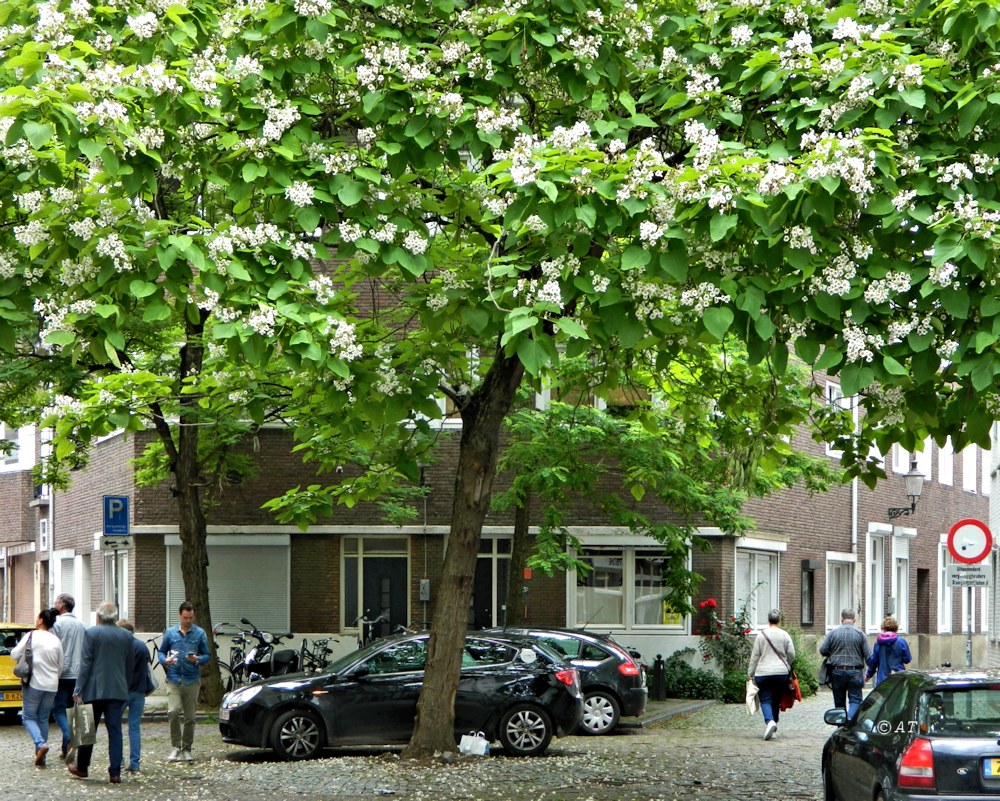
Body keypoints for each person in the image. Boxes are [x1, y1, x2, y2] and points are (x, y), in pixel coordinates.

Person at [67, 600, 135, 784]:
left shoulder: (91, 633)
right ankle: (115, 772)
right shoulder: (126, 636)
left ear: (98, 616)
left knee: (88, 729)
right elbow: (130, 665)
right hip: (117, 690)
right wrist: (125, 684)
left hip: (94, 689)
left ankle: (82, 767)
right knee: (115, 732)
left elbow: (86, 663)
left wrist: (78, 688)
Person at [158, 600, 211, 762]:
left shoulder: (200, 633)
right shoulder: (170, 632)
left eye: (191, 618)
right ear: (180, 615)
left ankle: (187, 748)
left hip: (191, 679)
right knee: (173, 711)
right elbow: (161, 652)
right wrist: (164, 660)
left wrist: (197, 659)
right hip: (174, 678)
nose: (188, 621)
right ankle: (175, 747)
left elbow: (207, 655)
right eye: (186, 618)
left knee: (190, 717)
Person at [12, 608, 64, 767]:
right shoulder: (56, 640)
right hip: (52, 685)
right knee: (43, 718)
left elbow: (14, 654)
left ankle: (41, 745)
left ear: (41, 620)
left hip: (34, 683)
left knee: (28, 717)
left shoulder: (31, 635)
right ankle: (40, 757)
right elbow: (61, 665)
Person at [747, 609, 795, 740]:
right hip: (781, 673)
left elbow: (755, 656)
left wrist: (750, 673)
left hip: (763, 673)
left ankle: (770, 722)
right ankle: (774, 725)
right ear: (779, 620)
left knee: (766, 699)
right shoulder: (785, 635)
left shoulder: (761, 635)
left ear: (768, 620)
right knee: (776, 699)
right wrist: (786, 664)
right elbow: (791, 654)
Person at [52, 593, 86, 760]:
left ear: (61, 606)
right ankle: (66, 748)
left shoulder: (56, 624)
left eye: (56, 602)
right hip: (78, 674)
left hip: (62, 673)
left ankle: (70, 737)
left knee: (58, 709)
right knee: (74, 711)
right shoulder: (81, 625)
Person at [118, 619, 155, 773]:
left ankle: (118, 761)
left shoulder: (119, 647)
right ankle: (135, 763)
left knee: (115, 727)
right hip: (138, 692)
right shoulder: (142, 646)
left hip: (121, 692)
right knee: (134, 727)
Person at [820, 608, 871, 719]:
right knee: (855, 700)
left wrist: (832, 654)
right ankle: (849, 720)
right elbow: (868, 657)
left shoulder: (833, 633)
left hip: (837, 671)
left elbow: (823, 650)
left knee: (839, 701)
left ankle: (840, 723)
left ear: (841, 619)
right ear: (854, 619)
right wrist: (869, 672)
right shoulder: (861, 634)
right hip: (855, 671)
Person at [866, 616, 912, 685]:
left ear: (884, 629)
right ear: (896, 629)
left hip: (882, 679)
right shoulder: (901, 642)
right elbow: (907, 659)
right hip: (898, 677)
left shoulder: (878, 643)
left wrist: (868, 675)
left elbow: (873, 662)